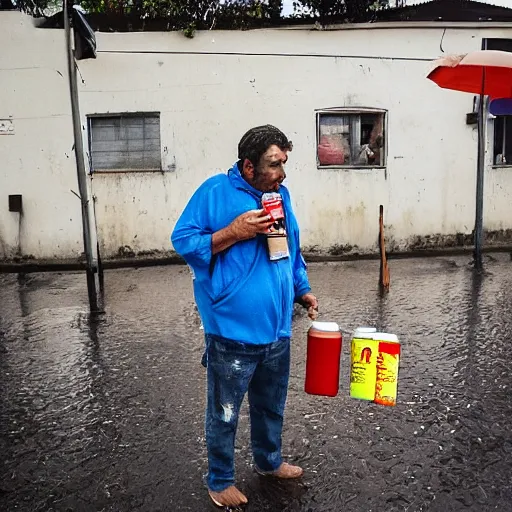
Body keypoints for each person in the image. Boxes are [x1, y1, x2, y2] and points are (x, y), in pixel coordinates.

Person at [171, 125, 318, 508]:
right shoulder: (214, 192)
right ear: (248, 166)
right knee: (225, 412)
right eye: (274, 164)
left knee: (271, 405)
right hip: (231, 330)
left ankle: (268, 463)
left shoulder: (279, 196)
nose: (282, 173)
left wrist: (302, 289)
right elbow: (183, 240)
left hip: (276, 328)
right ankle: (219, 481)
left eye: (284, 163)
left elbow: (292, 249)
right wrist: (233, 232)